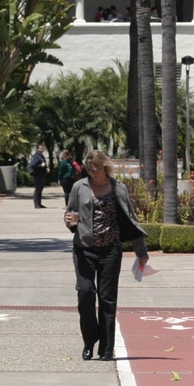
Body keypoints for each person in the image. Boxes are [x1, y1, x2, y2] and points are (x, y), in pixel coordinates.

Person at [63, 150, 149, 362]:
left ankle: (107, 348)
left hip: (110, 250)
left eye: (97, 168)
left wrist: (141, 252)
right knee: (85, 293)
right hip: (84, 249)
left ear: (105, 167)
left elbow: (131, 219)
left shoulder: (118, 188)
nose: (94, 173)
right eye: (90, 169)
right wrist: (69, 221)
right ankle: (89, 341)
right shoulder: (79, 187)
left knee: (107, 299)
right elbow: (70, 213)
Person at [28, 144, 48, 208]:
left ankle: (39, 203)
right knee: (37, 189)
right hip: (37, 175)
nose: (42, 150)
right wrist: (41, 166)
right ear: (37, 149)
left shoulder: (41, 156)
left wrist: (46, 168)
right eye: (41, 148)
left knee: (40, 189)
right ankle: (36, 204)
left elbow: (43, 164)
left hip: (42, 175)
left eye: (43, 148)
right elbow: (33, 165)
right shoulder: (36, 156)